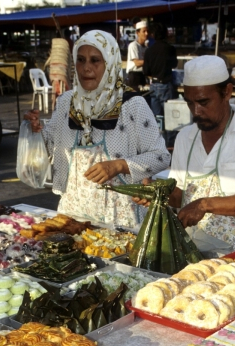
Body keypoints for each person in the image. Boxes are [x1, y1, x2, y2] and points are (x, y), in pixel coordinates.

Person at [23, 30, 170, 229]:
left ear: (110, 63)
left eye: (95, 60)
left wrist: (118, 166)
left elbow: (161, 156)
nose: (86, 68)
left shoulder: (131, 105)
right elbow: (48, 147)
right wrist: (35, 132)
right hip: (72, 215)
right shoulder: (67, 102)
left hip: (119, 219)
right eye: (81, 60)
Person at [133, 55, 235, 257]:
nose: (196, 111)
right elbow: (182, 195)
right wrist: (157, 192)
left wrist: (204, 205)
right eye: (190, 103)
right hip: (193, 253)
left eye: (203, 102)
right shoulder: (185, 137)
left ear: (227, 92)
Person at [143, 22, 178, 118]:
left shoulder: (149, 51)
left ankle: (158, 133)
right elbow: (174, 64)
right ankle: (169, 133)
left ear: (153, 35)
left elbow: (146, 71)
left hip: (153, 86)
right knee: (169, 118)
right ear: (166, 34)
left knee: (156, 118)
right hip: (166, 85)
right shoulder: (170, 49)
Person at [126, 21, 149, 90]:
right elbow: (137, 63)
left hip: (142, 75)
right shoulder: (133, 45)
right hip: (134, 76)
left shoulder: (146, 48)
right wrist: (151, 62)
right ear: (137, 33)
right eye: (144, 31)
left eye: (147, 31)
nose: (146, 33)